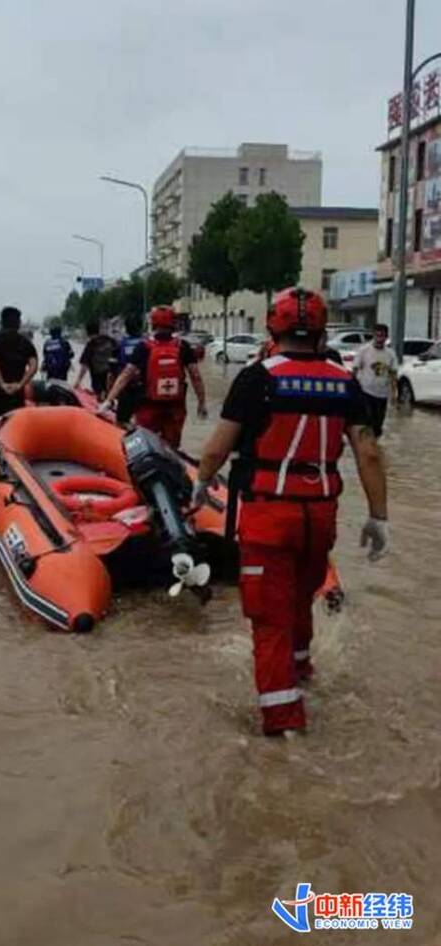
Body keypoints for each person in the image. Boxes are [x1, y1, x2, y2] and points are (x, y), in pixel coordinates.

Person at [193, 288, 388, 737]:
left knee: (269, 619)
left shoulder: (256, 377)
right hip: (320, 518)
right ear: (322, 333)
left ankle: (284, 730)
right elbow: (369, 453)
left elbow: (218, 448)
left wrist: (202, 485)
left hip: (269, 516)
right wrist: (379, 518)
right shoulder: (345, 381)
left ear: (270, 329)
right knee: (301, 601)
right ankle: (302, 677)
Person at [100, 305, 207, 449]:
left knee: (145, 445)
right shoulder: (183, 346)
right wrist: (201, 403)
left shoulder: (144, 347)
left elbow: (125, 375)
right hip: (175, 407)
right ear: (173, 323)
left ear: (153, 324)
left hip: (148, 406)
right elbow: (196, 376)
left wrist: (108, 400)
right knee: (172, 447)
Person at [0, 306, 38, 426]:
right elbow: (33, 367)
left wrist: (2, 384)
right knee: (14, 424)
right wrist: (21, 384)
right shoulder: (25, 342)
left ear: (2, 322)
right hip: (16, 391)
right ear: (18, 322)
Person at [352, 323, 398, 438]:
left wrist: (394, 393)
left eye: (382, 336)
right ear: (373, 336)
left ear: (386, 337)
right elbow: (355, 369)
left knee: (378, 426)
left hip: (382, 394)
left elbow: (393, 374)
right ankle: (368, 447)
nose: (379, 339)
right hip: (366, 392)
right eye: (377, 336)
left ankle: (375, 445)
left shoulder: (390, 354)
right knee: (368, 422)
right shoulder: (364, 350)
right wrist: (353, 390)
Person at [74, 320, 118, 400]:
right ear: (98, 330)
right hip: (113, 378)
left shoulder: (91, 344)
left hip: (97, 380)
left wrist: (78, 381)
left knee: (100, 402)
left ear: (87, 332)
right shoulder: (110, 340)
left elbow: (84, 365)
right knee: (111, 400)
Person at [113, 314, 145, 425]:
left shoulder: (120, 345)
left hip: (126, 390)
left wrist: (110, 395)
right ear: (141, 326)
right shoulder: (148, 344)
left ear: (126, 328)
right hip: (145, 391)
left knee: (121, 423)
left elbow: (112, 371)